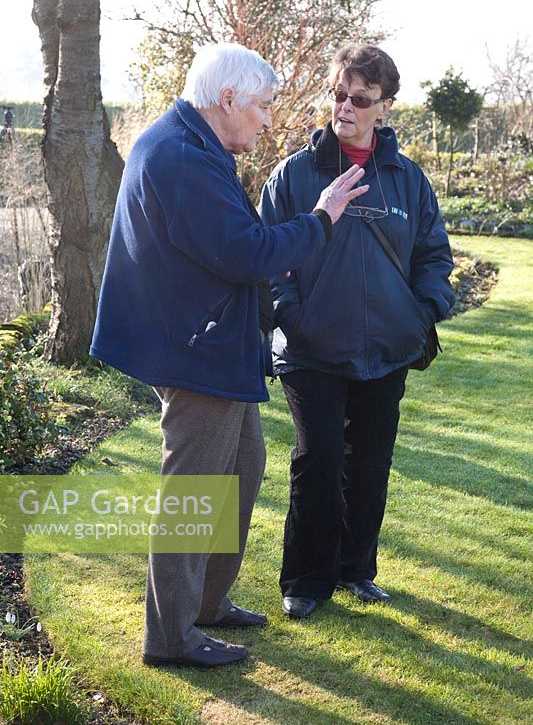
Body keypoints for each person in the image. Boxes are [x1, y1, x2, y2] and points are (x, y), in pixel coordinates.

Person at [90, 42, 370, 667]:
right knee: (193, 494)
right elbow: (247, 253)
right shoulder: (182, 156)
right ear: (227, 100)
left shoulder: (190, 145)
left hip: (213, 346)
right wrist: (322, 217)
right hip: (197, 351)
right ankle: (171, 638)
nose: (268, 119)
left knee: (242, 468)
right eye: (264, 107)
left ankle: (207, 605)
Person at [259, 43, 455, 619]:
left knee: (368, 466)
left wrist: (421, 315)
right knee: (316, 463)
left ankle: (356, 570)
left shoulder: (407, 181)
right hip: (311, 351)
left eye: (360, 98)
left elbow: (434, 257)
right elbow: (270, 259)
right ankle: (305, 580)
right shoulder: (295, 174)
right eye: (339, 94)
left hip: (385, 353)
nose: (345, 106)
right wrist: (292, 317)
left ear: (384, 107)